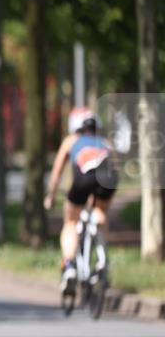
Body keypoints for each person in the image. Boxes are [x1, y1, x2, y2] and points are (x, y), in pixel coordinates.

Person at [43, 106, 118, 293]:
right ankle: (101, 259)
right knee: (99, 213)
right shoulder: (105, 142)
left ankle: (69, 267)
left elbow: (57, 172)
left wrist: (50, 196)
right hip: (109, 176)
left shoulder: (71, 141)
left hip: (85, 176)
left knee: (70, 222)